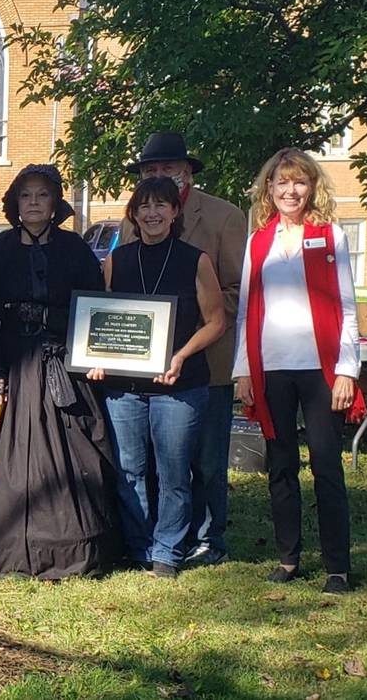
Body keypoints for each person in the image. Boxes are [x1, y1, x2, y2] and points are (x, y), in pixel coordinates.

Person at [0, 164, 120, 579]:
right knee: (8, 458)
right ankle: (9, 548)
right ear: (15, 204)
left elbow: (91, 305)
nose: (34, 203)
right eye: (26, 196)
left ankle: (75, 547)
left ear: (55, 204)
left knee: (77, 449)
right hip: (14, 361)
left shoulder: (74, 249)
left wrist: (86, 351)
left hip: (61, 360)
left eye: (42, 196)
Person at [233, 148, 363, 594]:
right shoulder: (258, 242)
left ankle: (337, 567)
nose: (290, 190)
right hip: (271, 370)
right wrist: (244, 369)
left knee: (327, 466)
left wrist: (347, 369)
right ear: (269, 188)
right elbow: (246, 310)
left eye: (299, 182)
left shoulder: (331, 237)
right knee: (281, 466)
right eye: (281, 182)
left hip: (320, 371)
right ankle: (289, 558)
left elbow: (347, 308)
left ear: (312, 187)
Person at [90, 176, 226, 577]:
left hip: (178, 385)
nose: (152, 213)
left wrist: (182, 354)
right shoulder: (117, 260)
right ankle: (140, 546)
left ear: (175, 212)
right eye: (144, 206)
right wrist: (96, 356)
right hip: (124, 387)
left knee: (173, 471)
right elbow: (104, 319)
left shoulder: (195, 260)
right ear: (134, 213)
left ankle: (168, 549)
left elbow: (216, 321)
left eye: (161, 206)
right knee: (130, 469)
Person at [123, 132, 246, 566]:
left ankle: (210, 537)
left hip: (204, 358)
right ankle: (162, 539)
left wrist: (183, 328)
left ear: (187, 172)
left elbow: (235, 291)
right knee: (156, 459)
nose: (158, 178)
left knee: (208, 460)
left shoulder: (226, 217)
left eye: (168, 169)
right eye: (150, 172)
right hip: (144, 366)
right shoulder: (134, 218)